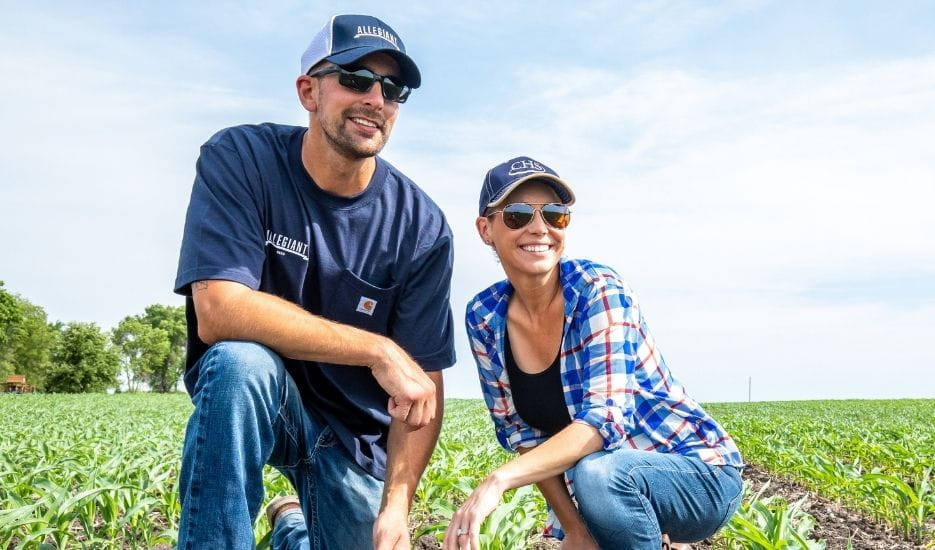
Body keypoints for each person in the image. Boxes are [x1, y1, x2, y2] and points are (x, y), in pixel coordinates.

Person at [172, 14, 455, 549]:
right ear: (309, 91)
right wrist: (378, 350)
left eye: (393, 89)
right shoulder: (240, 159)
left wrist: (398, 505)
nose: (376, 97)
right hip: (261, 396)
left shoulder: (421, 227)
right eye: (355, 78)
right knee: (239, 363)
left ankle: (292, 526)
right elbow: (219, 310)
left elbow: (425, 386)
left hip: (354, 438)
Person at [446, 157, 745, 550]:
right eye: (518, 215)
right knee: (599, 480)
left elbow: (605, 421)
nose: (540, 227)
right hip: (608, 489)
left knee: (599, 473)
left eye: (555, 214)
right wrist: (576, 530)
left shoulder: (598, 290)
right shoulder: (484, 318)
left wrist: (499, 479)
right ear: (486, 229)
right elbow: (521, 432)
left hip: (699, 475)